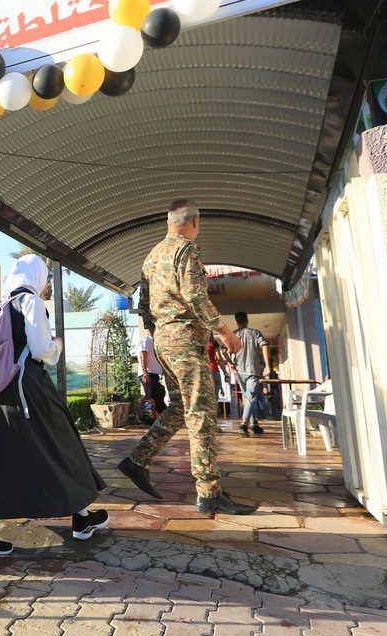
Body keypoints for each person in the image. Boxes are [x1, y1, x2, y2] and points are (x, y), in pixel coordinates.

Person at [0, 255, 108, 555]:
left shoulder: (0, 306)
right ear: (38, 277)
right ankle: (81, 518)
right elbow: (40, 349)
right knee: (61, 443)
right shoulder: (31, 303)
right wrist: (58, 347)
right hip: (28, 390)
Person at [116, 200, 257, 515]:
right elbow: (195, 295)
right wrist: (225, 332)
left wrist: (161, 333)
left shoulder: (151, 257)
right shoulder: (186, 251)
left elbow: (143, 306)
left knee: (180, 407)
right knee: (202, 414)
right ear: (195, 222)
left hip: (164, 342)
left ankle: (138, 460)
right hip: (184, 342)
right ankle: (208, 492)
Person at [233, 311, 271, 437]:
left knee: (249, 398)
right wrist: (267, 365)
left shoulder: (233, 335)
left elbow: (223, 350)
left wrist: (230, 364)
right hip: (253, 370)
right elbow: (264, 345)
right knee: (251, 397)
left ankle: (254, 423)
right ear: (247, 320)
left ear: (235, 321)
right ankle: (244, 424)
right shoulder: (255, 332)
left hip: (240, 371)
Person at [134, 319, 165, 419]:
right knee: (150, 398)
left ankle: (157, 417)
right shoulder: (146, 340)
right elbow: (143, 356)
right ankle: (148, 419)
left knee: (159, 394)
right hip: (149, 373)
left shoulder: (154, 341)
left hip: (154, 374)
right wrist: (145, 373)